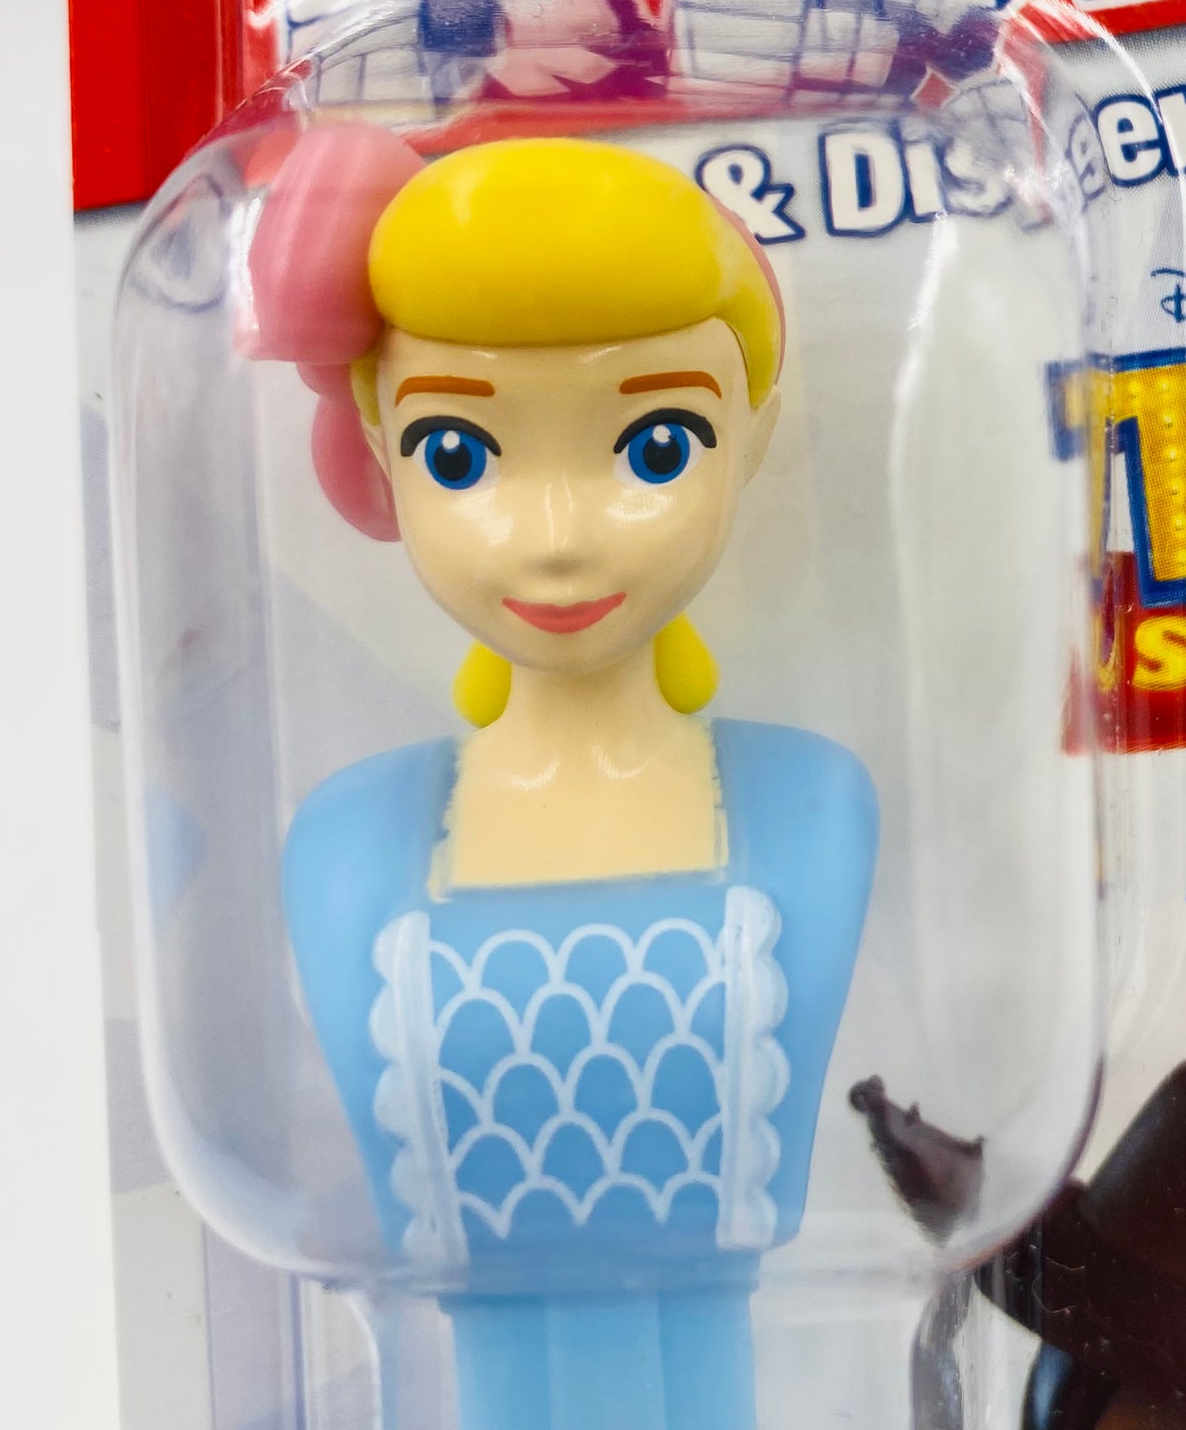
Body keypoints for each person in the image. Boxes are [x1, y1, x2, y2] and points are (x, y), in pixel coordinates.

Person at [249, 123, 878, 1430]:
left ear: (751, 436)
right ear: (378, 445)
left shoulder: (810, 812)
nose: (555, 536)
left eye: (656, 447)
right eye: (459, 455)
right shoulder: (349, 845)